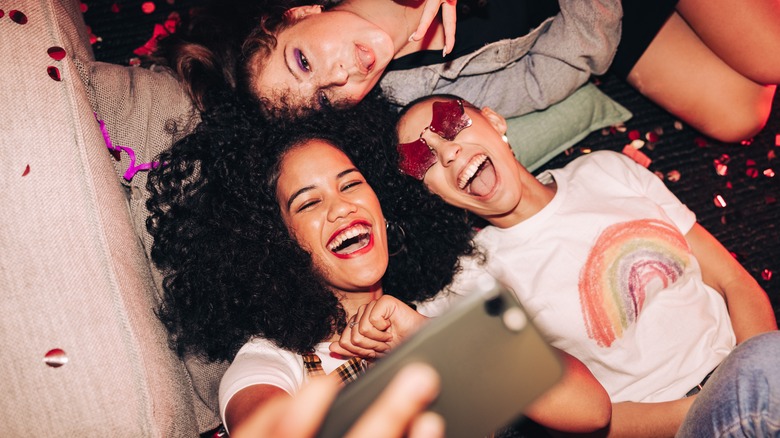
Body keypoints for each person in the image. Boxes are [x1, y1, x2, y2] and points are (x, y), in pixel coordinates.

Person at [145, 95, 611, 436]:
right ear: (277, 243)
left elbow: (591, 410)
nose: (341, 208)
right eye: (308, 204)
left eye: (350, 185)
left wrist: (427, 337)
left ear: (383, 209)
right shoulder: (273, 360)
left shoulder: (443, 306)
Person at [381, 94, 780, 436]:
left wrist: (754, 372)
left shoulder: (607, 169)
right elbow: (592, 421)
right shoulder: (469, 279)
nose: (448, 152)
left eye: (451, 124)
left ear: (495, 120)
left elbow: (732, 280)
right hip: (682, 423)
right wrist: (731, 395)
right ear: (430, 193)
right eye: (422, 159)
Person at [153, 0, 779, 143]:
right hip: (602, 13)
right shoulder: (404, 88)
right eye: (325, 99)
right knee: (739, 114)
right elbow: (539, 78)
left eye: (305, 59)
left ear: (299, 12)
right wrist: (598, 24)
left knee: (770, 55)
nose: (343, 74)